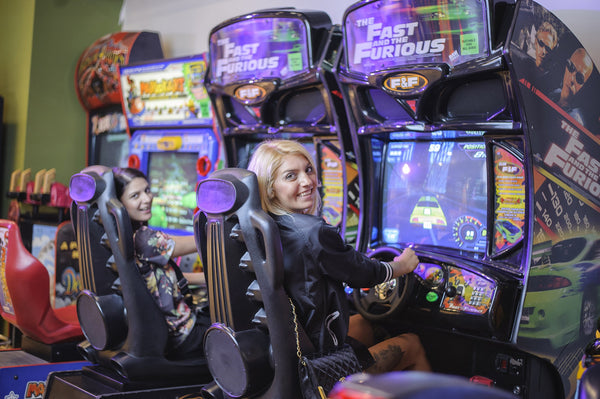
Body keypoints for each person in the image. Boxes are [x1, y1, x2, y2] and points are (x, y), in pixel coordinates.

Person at [247, 140, 431, 373]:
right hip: (315, 370)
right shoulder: (312, 232)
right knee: (412, 344)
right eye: (291, 176)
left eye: (308, 170)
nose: (307, 182)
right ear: (270, 187)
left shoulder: (261, 228)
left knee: (364, 324)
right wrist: (401, 266)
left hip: (284, 355)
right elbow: (362, 273)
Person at [112, 166, 209, 359]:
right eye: (135, 196)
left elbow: (171, 278)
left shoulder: (118, 237)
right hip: (182, 335)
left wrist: (215, 278)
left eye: (147, 190)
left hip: (166, 332)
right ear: (119, 205)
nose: (147, 199)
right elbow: (200, 241)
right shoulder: (143, 240)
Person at [550, 47, 595, 127]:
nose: (571, 79)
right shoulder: (554, 93)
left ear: (583, 86)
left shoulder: (575, 122)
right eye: (571, 67)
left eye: (579, 78)